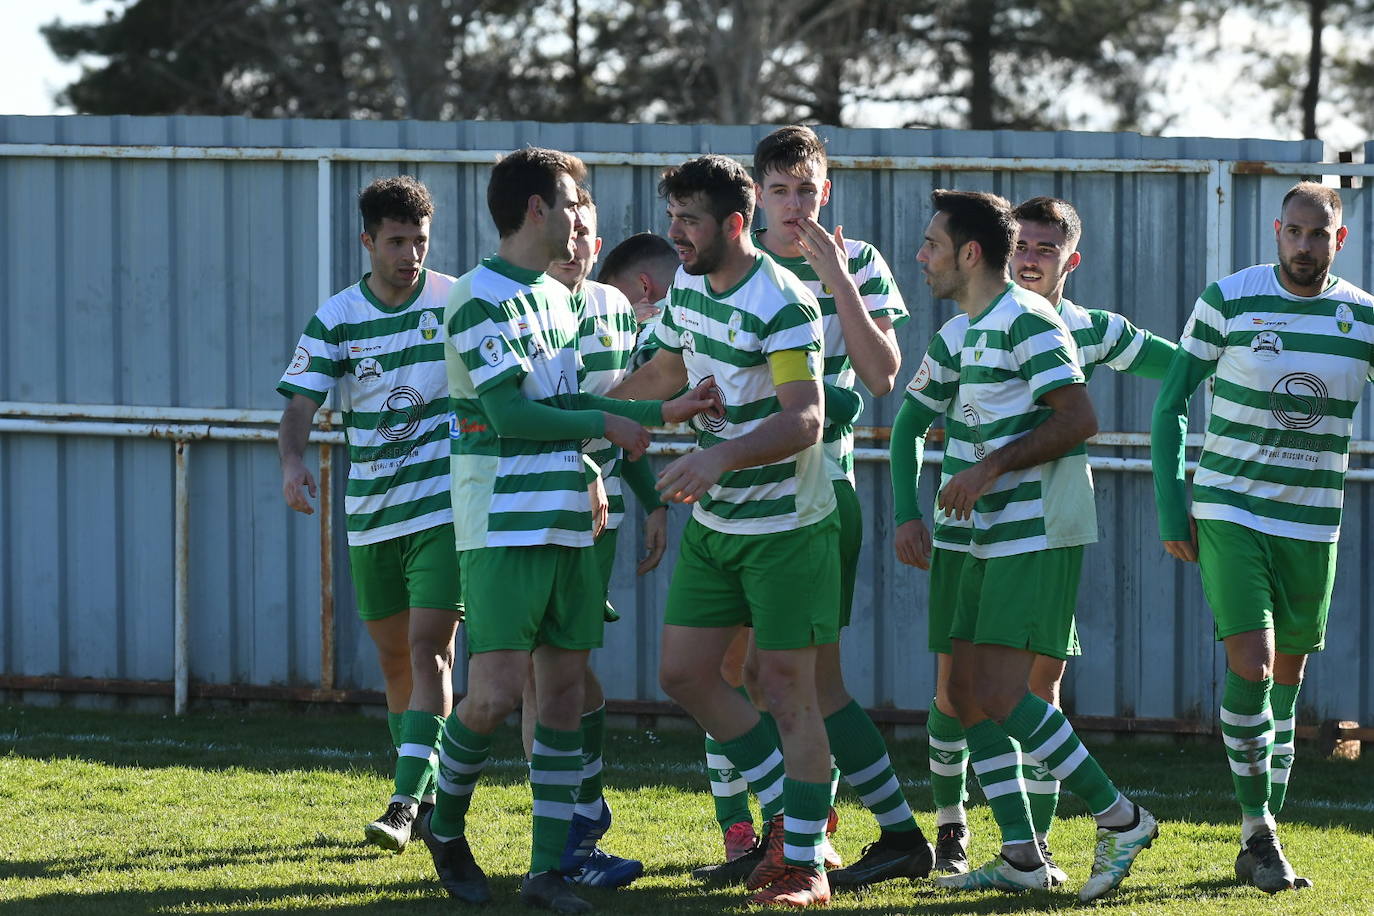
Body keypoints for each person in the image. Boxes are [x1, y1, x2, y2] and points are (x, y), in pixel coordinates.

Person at [418, 147, 716, 914]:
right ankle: (444, 826)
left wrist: (648, 426)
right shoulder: (479, 296)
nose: (585, 216)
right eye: (573, 202)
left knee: (560, 698)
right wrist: (636, 417)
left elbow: (587, 415)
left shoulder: (566, 300)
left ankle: (547, 867)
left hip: (576, 523)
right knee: (491, 696)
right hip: (504, 521)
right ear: (536, 209)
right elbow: (514, 417)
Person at [890, 195, 1176, 881]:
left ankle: (1121, 819)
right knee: (961, 694)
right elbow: (907, 425)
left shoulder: (1032, 321)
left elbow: (1077, 419)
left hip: (1033, 532)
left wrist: (986, 467)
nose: (920, 257)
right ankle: (1021, 854)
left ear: (968, 254)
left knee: (1009, 694)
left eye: (931, 244)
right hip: (969, 536)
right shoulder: (958, 333)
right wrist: (908, 511)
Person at [696, 124, 933, 890]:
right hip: (733, 495)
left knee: (799, 681)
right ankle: (796, 832)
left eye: (808, 190)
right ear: (755, 197)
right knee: (733, 671)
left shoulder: (856, 261)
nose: (796, 204)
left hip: (815, 493)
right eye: (781, 190)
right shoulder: (732, 266)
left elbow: (883, 376)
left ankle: (817, 836)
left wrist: (838, 283)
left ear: (825, 191)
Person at [611, 154, 839, 908]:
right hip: (716, 522)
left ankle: (805, 867)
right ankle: (789, 812)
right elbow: (664, 373)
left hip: (786, 529)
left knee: (786, 688)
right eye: (672, 216)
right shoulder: (687, 286)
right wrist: (588, 415)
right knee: (682, 675)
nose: (674, 232)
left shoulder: (782, 300)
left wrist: (719, 456)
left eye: (689, 220)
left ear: (734, 225)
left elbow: (807, 418)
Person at [1152, 181, 1372, 894]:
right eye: (1294, 232)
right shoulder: (1230, 299)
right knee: (1252, 662)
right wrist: (1169, 505)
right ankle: (1260, 830)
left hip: (1312, 523)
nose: (1305, 246)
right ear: (1277, 230)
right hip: (1231, 509)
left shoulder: (1363, 318)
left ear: (1339, 240)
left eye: (1320, 235)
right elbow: (1170, 402)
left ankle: (1258, 842)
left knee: (1288, 681)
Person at [276, 175, 461, 854]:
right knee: (393, 663)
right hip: (372, 516)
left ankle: (405, 801)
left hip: (444, 508)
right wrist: (293, 463)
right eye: (396, 241)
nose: (410, 253)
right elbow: (299, 405)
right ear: (367, 241)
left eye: (419, 240)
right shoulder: (338, 316)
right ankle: (428, 787)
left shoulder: (456, 302)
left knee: (430, 650)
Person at [516, 188, 670, 890]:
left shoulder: (613, 311)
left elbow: (626, 414)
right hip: (524, 515)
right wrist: (581, 465)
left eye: (589, 232)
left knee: (570, 677)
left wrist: (653, 500)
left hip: (597, 523)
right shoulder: (523, 308)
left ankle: (579, 814)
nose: (578, 243)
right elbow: (537, 414)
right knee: (532, 679)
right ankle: (562, 833)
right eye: (568, 228)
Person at [597, 231, 679, 370]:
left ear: (645, 286)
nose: (612, 311)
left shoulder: (650, 327)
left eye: (616, 301)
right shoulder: (702, 311)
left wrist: (623, 329)